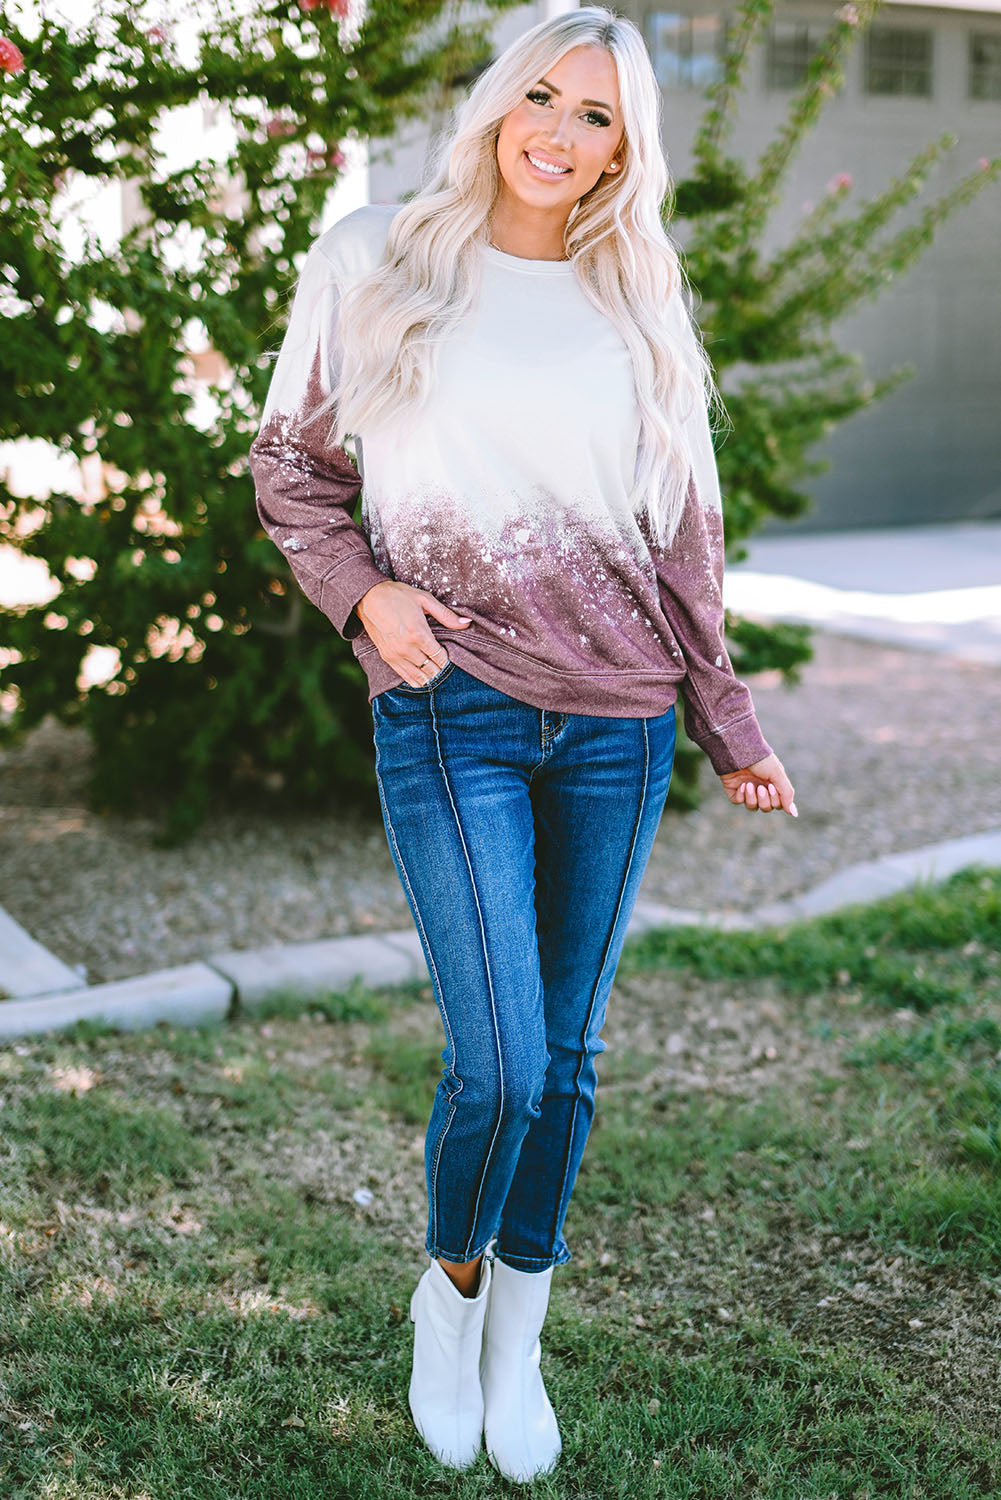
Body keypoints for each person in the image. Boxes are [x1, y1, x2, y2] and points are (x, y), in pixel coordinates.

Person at [249, 5, 796, 1483]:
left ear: (630, 146)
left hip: (617, 720)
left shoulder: (638, 296)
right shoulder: (377, 257)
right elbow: (291, 468)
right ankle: (454, 1293)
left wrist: (723, 716)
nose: (559, 133)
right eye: (541, 97)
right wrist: (364, 598)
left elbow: (682, 531)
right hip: (454, 707)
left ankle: (521, 1336)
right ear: (499, 103)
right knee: (494, 1061)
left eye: (598, 115)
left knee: (566, 1063)